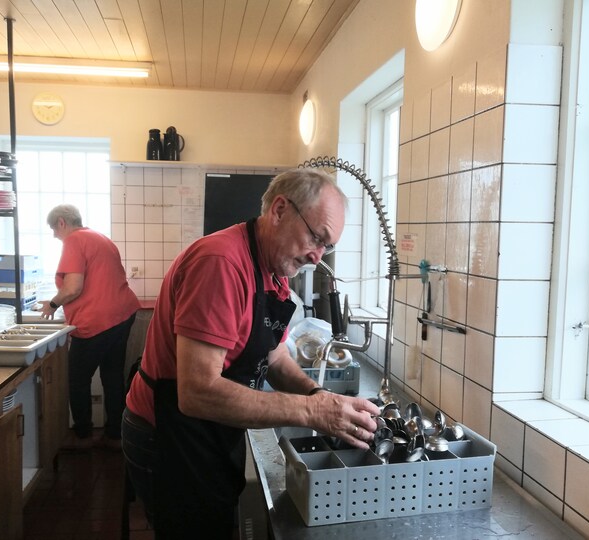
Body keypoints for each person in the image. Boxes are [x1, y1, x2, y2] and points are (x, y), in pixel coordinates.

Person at [121, 169, 381, 538]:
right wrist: (311, 412)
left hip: (208, 432)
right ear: (279, 210)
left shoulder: (273, 273)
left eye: (327, 247)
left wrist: (317, 395)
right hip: (167, 434)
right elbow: (196, 392)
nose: (316, 256)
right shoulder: (221, 264)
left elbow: (275, 358)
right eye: (315, 237)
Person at [41, 203, 141, 448]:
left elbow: (73, 287)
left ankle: (82, 435)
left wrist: (52, 304)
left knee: (77, 379)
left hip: (97, 319)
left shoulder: (74, 240)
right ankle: (115, 435)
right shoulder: (100, 237)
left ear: (62, 222)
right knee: (112, 375)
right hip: (122, 314)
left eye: (54, 229)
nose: (54, 235)